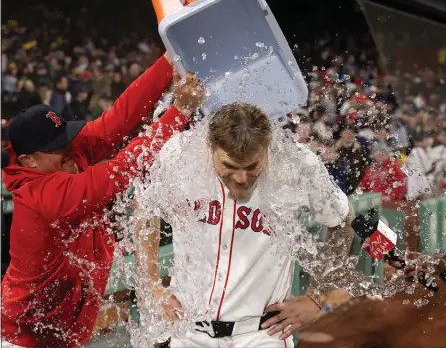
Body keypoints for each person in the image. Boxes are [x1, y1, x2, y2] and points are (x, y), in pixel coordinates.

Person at [1, 54, 204, 348]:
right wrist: (179, 112)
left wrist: (168, 62)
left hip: (61, 331)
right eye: (55, 146)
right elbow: (121, 170)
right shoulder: (40, 196)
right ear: (28, 161)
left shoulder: (63, 156)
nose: (69, 146)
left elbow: (117, 120)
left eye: (64, 136)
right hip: (23, 339)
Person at [136, 103, 355, 348]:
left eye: (252, 167)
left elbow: (343, 220)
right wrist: (152, 284)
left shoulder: (296, 164)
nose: (241, 178)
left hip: (260, 335)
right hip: (187, 333)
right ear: (210, 146)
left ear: (268, 149)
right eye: (229, 166)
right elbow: (144, 209)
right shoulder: (180, 153)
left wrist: (317, 298)